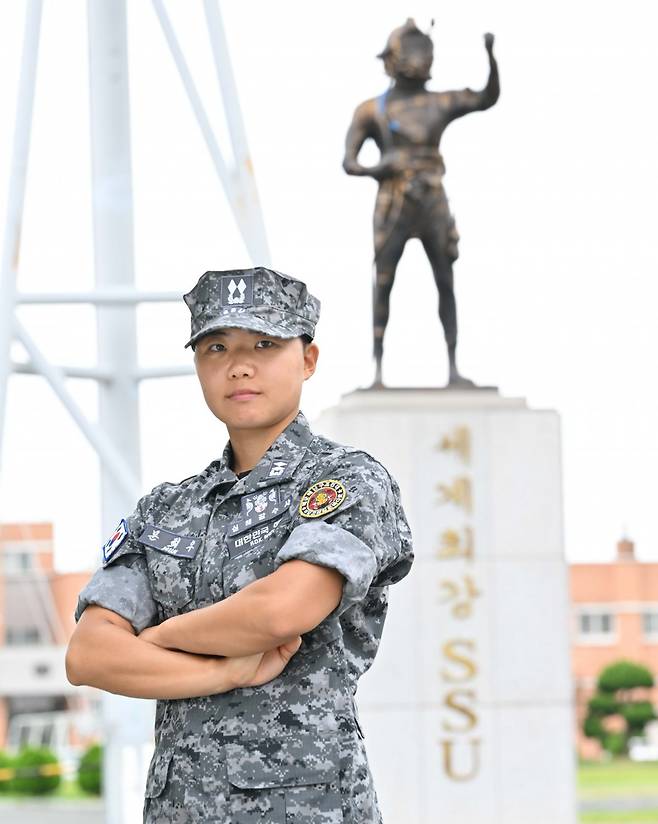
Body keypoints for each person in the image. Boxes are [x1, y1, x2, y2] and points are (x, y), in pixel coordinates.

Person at [66, 266, 414, 823]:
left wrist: (157, 638)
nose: (240, 365)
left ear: (308, 359)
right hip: (180, 809)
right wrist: (223, 671)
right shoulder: (166, 509)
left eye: (265, 344)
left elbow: (280, 611)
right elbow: (88, 655)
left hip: (304, 807)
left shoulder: (344, 481)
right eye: (217, 346)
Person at [343, 19, 500, 387]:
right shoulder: (371, 110)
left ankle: (453, 366)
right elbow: (349, 161)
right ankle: (378, 370)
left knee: (445, 280)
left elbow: (486, 97)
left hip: (432, 199)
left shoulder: (438, 102)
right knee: (383, 281)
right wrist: (381, 166)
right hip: (394, 200)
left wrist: (491, 56)